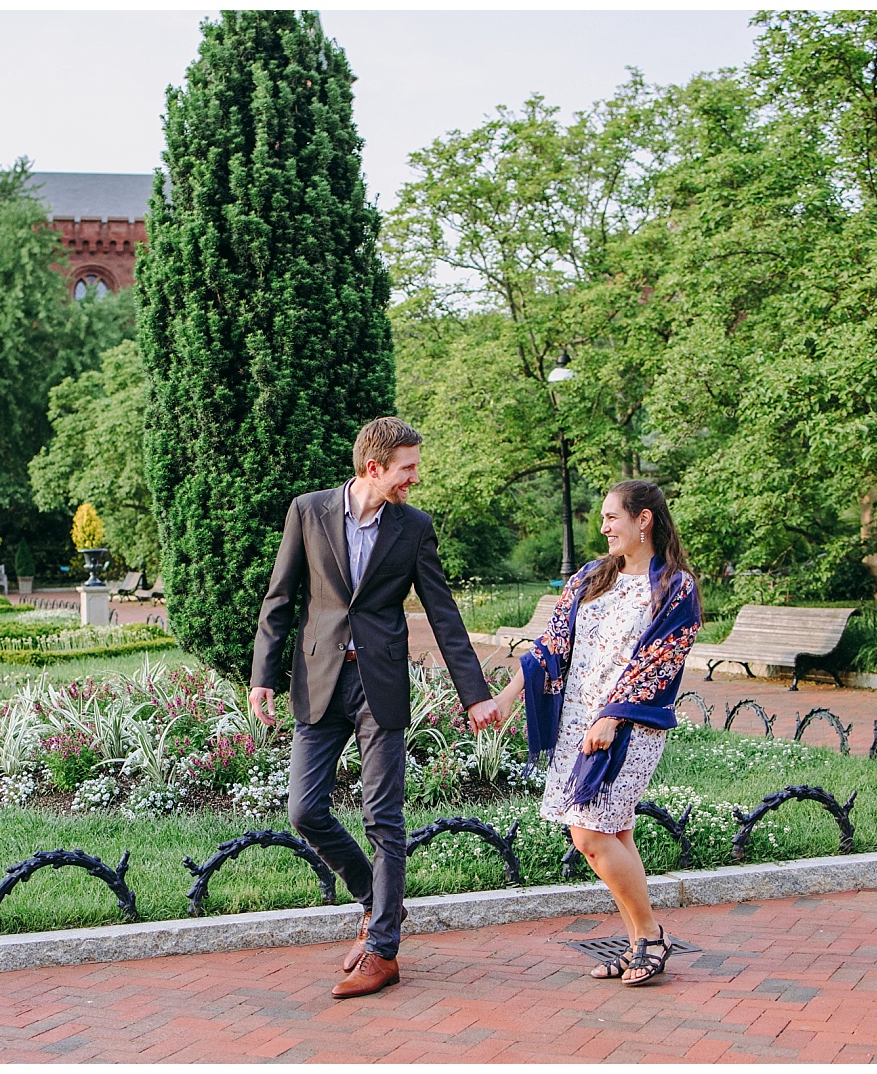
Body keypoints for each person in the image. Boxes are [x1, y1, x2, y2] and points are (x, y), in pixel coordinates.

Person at [249, 416, 499, 998]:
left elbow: (443, 612)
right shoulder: (307, 512)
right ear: (374, 468)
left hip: (380, 684)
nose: (414, 479)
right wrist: (263, 677)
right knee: (304, 811)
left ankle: (383, 949)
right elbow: (280, 598)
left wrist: (475, 694)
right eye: (407, 469)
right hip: (317, 679)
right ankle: (377, 903)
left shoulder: (414, 528)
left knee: (383, 817)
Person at [470, 479, 701, 986]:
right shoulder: (592, 577)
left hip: (628, 726)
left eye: (612, 517)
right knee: (613, 834)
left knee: (589, 834)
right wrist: (504, 701)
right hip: (578, 723)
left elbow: (660, 663)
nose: (603, 527)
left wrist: (612, 717)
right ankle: (638, 942)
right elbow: (549, 646)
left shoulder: (674, 586)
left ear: (643, 520)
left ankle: (651, 935)